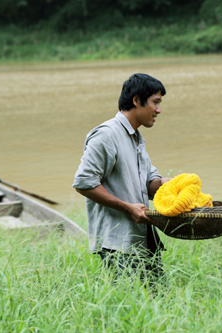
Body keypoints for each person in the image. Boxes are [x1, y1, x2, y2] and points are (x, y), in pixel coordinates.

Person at [73, 73, 171, 285]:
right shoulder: (107, 135)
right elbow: (84, 183)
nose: (158, 110)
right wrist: (128, 208)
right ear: (136, 101)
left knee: (160, 302)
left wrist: (166, 184)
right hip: (118, 243)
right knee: (129, 305)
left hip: (144, 238)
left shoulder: (135, 137)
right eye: (155, 102)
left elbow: (148, 184)